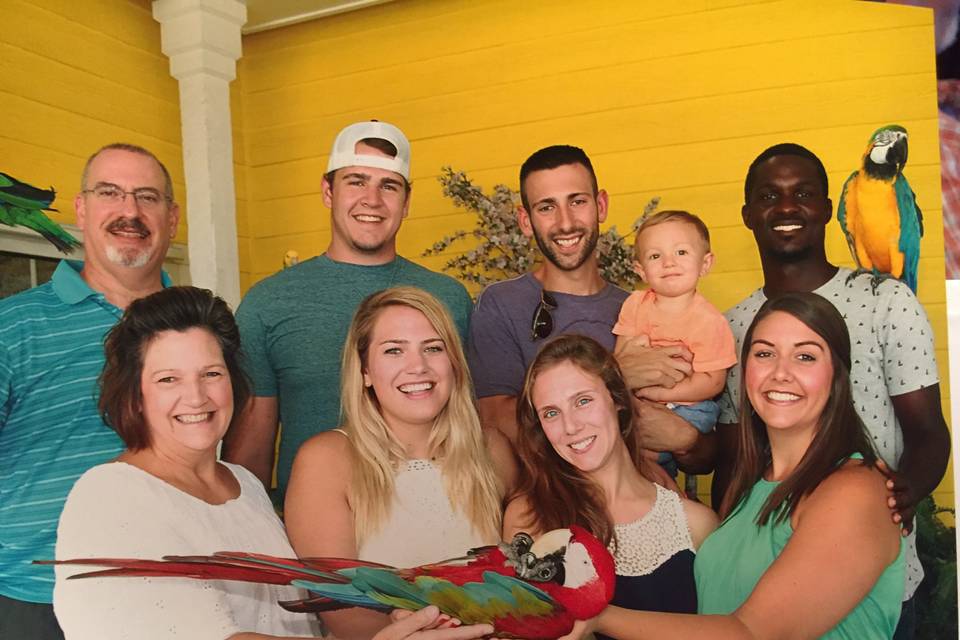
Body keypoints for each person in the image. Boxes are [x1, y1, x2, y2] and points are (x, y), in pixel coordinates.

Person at [53, 286, 494, 640]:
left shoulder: (243, 486)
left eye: (212, 373)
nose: (197, 397)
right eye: (168, 379)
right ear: (134, 394)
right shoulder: (110, 496)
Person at [566, 292, 905, 640]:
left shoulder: (855, 490)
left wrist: (598, 617)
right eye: (764, 354)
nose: (781, 373)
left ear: (837, 377)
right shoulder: (751, 490)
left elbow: (752, 632)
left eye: (805, 356)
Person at [713, 143, 950, 638]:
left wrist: (901, 494)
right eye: (768, 196)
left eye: (802, 194)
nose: (785, 207)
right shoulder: (732, 326)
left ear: (827, 207)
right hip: (761, 577)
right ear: (748, 214)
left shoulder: (885, 300)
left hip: (871, 577)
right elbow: (735, 460)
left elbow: (928, 432)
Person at [224, 121, 473, 503]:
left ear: (406, 202)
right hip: (311, 533)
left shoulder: (448, 299)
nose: (371, 199)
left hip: (435, 519)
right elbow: (250, 451)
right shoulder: (268, 302)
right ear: (328, 191)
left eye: (388, 186)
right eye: (356, 181)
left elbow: (471, 425)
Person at [0, 143, 179, 639]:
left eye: (147, 196)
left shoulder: (200, 328)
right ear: (82, 209)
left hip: (175, 590)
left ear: (172, 216)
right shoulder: (12, 325)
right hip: (35, 598)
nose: (130, 211)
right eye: (110, 193)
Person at [284, 286, 517, 640]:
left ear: (454, 362)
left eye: (433, 348)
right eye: (394, 350)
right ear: (364, 371)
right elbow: (341, 612)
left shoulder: (492, 449)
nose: (418, 367)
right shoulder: (326, 460)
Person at [467, 144, 715, 474]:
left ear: (600, 206)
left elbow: (704, 455)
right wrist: (614, 375)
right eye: (546, 207)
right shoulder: (501, 304)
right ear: (525, 221)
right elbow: (498, 425)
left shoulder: (642, 307)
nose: (565, 222)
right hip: (558, 508)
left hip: (650, 497)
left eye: (578, 201)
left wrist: (686, 438)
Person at [503, 334, 717, 637]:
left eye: (583, 401)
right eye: (551, 413)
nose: (571, 426)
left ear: (617, 399)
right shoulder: (529, 516)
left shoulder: (695, 523)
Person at [612, 210, 736, 476]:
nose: (669, 263)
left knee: (653, 458)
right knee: (615, 434)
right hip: (638, 400)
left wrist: (661, 395)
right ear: (641, 269)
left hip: (689, 406)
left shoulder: (710, 321)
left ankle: (659, 485)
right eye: (656, 256)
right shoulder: (635, 304)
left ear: (705, 264)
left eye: (681, 253)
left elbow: (713, 381)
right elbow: (621, 355)